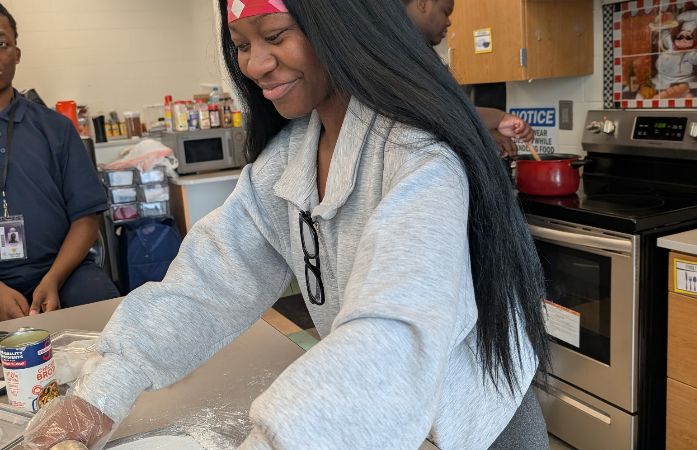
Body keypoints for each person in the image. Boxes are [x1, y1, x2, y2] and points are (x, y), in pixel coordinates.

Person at [23, 1, 550, 449]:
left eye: (275, 36)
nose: (254, 64)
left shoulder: (421, 159)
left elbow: (390, 335)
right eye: (241, 44)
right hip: (366, 420)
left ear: (340, 25)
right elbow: (210, 281)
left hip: (472, 426)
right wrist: (101, 394)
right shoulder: (290, 157)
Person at [0, 4, 119, 321]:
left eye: (1, 44)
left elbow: (86, 217)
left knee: (103, 307)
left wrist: (53, 279)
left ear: (17, 52)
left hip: (60, 270)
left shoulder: (54, 128)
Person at [402, 0, 534, 156]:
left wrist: (483, 133)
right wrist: (499, 118)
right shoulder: (397, 54)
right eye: (445, 12)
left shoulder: (410, 51)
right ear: (422, 4)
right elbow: (440, 112)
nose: (449, 22)